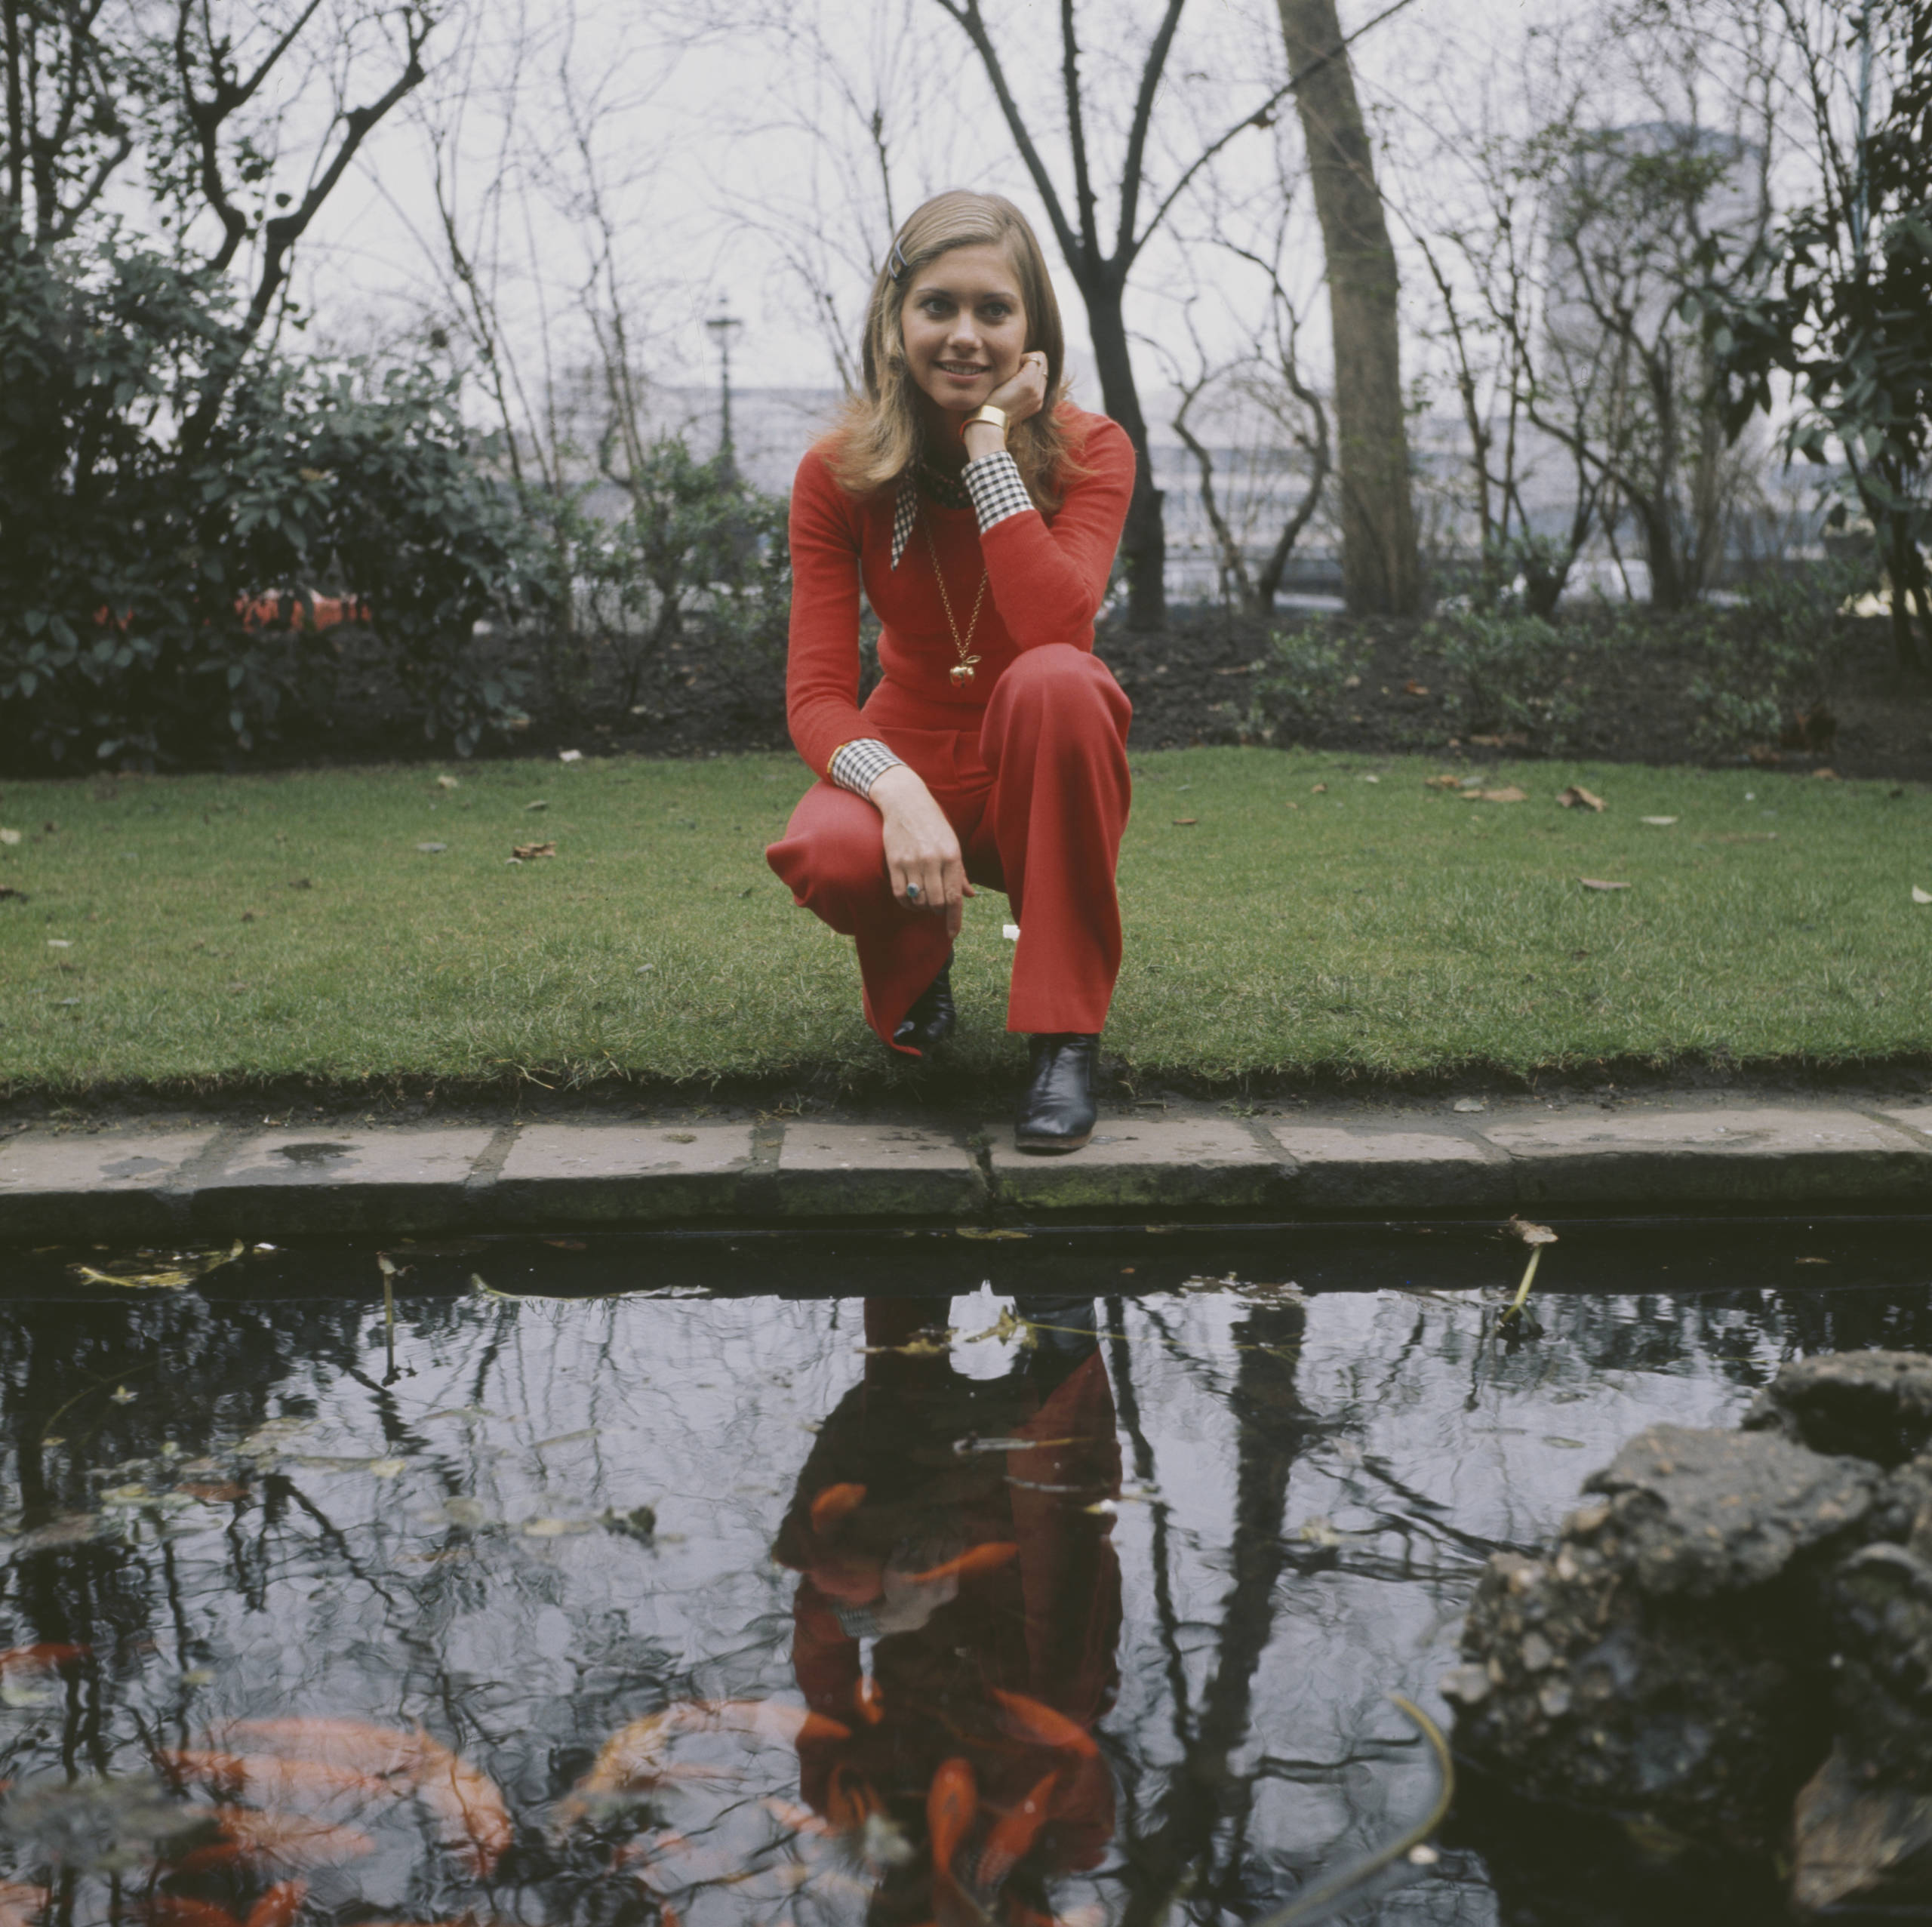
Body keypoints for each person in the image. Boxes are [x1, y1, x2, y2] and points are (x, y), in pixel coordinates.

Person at [765, 190, 1137, 1153]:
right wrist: (897, 793)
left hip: (1037, 764)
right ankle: (916, 962)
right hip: (907, 748)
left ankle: (1063, 1035)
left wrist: (988, 451)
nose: (965, 336)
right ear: (896, 326)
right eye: (938, 307)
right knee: (828, 850)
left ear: (1033, 331)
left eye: (993, 311)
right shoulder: (837, 471)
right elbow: (812, 696)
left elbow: (1062, 628)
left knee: (1058, 680)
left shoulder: (1095, 452)